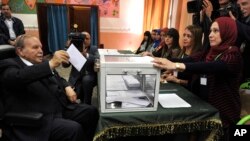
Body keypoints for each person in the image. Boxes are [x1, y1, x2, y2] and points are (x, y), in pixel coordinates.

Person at [153, 17, 242, 140]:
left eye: (216, 31)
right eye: (210, 31)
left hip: (223, 116)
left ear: (228, 32)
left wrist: (176, 66)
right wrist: (163, 61)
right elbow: (190, 60)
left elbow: (211, 67)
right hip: (206, 111)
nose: (210, 35)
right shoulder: (210, 52)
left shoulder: (233, 55)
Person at [0, 35, 99, 141]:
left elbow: (58, 77)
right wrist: (51, 64)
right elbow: (20, 76)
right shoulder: (8, 65)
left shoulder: (41, 62)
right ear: (20, 51)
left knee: (91, 112)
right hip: (39, 115)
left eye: (41, 47)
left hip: (60, 107)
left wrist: (66, 87)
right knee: (73, 129)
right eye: (35, 47)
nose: (40, 51)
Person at [64, 31, 99, 105]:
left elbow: (96, 59)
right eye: (83, 38)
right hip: (76, 77)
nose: (85, 40)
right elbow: (65, 65)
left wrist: (85, 55)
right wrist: (67, 49)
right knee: (67, 96)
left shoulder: (93, 48)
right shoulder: (73, 49)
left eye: (87, 38)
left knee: (86, 81)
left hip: (89, 75)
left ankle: (87, 104)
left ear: (90, 40)